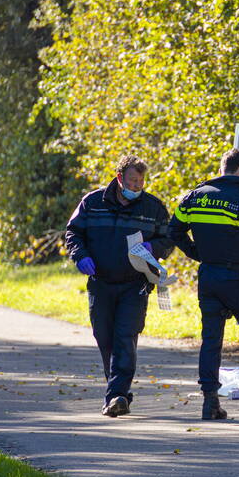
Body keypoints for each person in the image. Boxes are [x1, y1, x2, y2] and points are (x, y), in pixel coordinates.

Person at [168, 148, 239, 421]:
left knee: (211, 340)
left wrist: (196, 252)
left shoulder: (194, 196)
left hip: (208, 276)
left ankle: (210, 403)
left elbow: (173, 229)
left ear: (222, 168)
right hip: (238, 278)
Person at [65, 156, 174, 417]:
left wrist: (155, 247)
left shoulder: (153, 207)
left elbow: (169, 238)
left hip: (134, 285)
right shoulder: (92, 203)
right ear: (119, 178)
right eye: (132, 181)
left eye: (141, 182)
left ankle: (117, 395)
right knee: (105, 338)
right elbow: (73, 233)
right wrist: (80, 256)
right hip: (100, 283)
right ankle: (117, 389)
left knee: (125, 338)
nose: (137, 187)